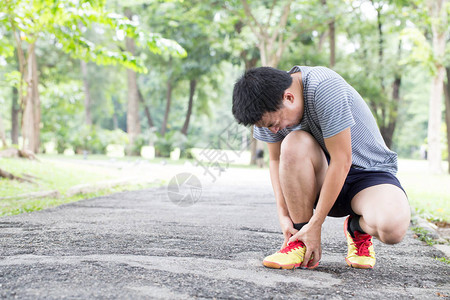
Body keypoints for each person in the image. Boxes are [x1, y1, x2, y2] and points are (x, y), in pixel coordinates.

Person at [232, 66, 410, 269]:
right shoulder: (264, 112)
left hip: (368, 175)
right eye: (266, 127)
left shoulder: (323, 87)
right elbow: (276, 160)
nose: (273, 130)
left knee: (393, 229)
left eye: (274, 123)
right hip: (321, 178)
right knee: (292, 143)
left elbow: (342, 160)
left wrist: (316, 224)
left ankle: (356, 228)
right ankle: (299, 241)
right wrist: (283, 215)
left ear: (288, 97)